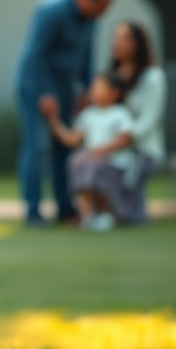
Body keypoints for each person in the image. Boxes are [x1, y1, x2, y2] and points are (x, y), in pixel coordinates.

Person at [15, 0, 115, 225]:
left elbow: (86, 55)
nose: (101, 15)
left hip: (65, 88)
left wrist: (87, 91)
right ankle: (33, 211)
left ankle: (65, 207)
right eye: (99, 7)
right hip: (35, 86)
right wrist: (45, 93)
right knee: (37, 148)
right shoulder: (52, 11)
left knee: (65, 148)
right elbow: (35, 56)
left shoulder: (90, 20)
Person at [80, 21, 167, 224]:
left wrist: (118, 142)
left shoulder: (152, 77)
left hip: (140, 149)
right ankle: (94, 212)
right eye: (116, 37)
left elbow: (149, 121)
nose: (117, 43)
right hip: (111, 147)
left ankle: (116, 212)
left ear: (138, 44)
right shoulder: (111, 77)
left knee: (128, 208)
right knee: (83, 161)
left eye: (125, 38)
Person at [39, 72, 136, 231]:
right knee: (76, 161)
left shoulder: (120, 113)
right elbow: (71, 139)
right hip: (91, 161)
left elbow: (126, 138)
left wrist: (102, 150)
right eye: (93, 87)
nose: (94, 91)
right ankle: (87, 213)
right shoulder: (88, 115)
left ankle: (105, 214)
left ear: (114, 92)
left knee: (94, 166)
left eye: (99, 87)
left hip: (114, 163)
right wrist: (53, 119)